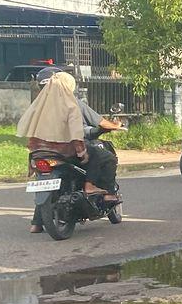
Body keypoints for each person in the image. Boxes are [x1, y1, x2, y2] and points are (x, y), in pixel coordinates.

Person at [18, 70, 123, 231]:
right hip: (63, 152)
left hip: (38, 153)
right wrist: (81, 152)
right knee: (104, 156)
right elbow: (76, 133)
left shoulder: (38, 105)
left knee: (43, 182)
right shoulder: (70, 103)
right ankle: (91, 186)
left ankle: (37, 223)